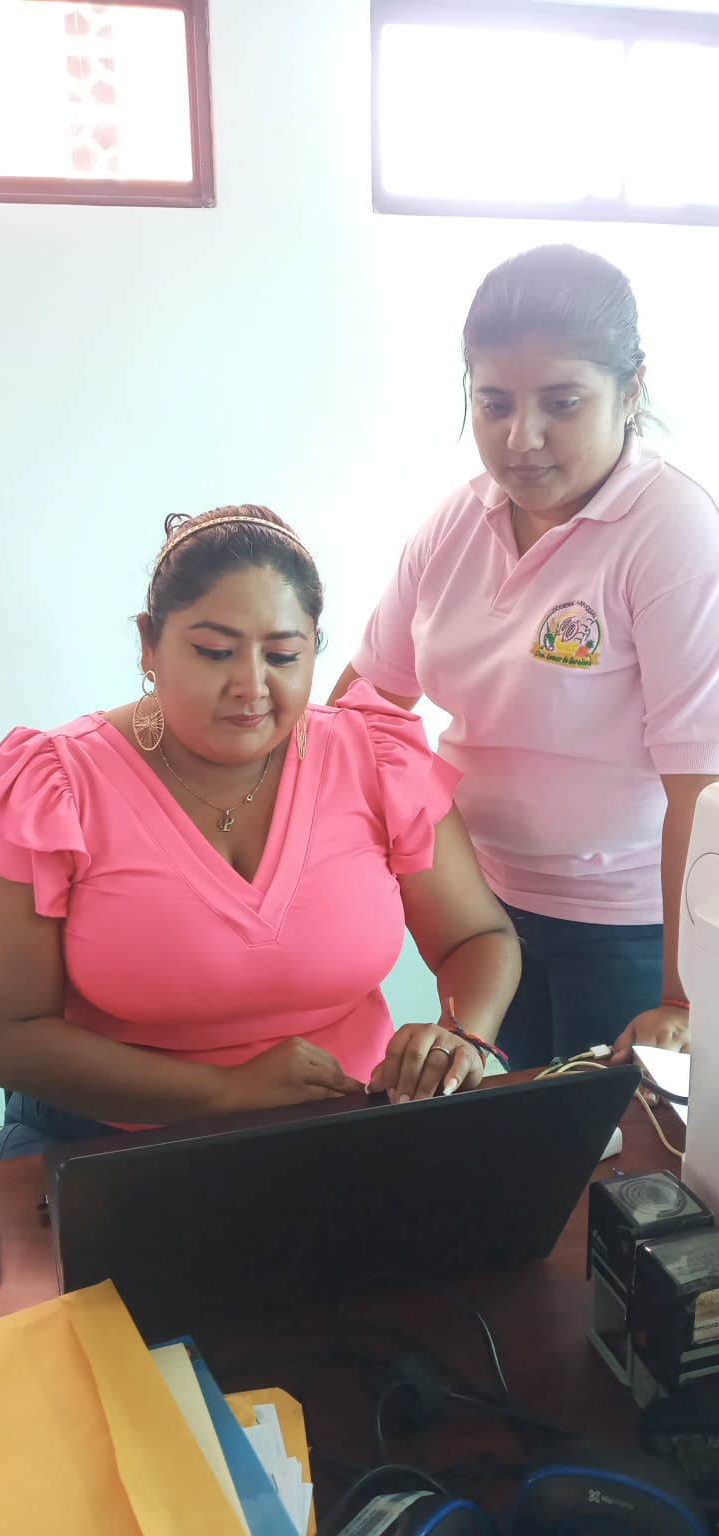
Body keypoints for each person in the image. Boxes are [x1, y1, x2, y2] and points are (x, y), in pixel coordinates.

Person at [0, 506, 520, 1157]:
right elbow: (6, 1037)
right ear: (148, 643)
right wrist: (224, 1092)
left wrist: (459, 1034)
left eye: (283, 655)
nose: (251, 687)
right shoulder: (47, 790)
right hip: (109, 1143)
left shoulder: (376, 760)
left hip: (349, 1122)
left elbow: (478, 937)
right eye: (215, 651)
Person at [331, 244, 719, 1071]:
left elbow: (702, 785)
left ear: (633, 389)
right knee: (501, 1126)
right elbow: (362, 706)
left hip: (628, 928)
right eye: (494, 403)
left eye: (562, 403)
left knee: (609, 1139)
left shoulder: (673, 533)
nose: (522, 439)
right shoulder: (456, 523)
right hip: (482, 914)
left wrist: (683, 995)